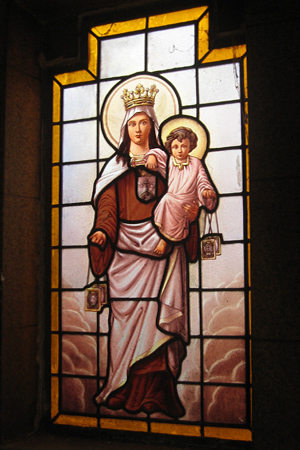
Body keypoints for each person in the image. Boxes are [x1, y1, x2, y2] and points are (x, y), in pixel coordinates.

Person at [88, 84, 206, 417]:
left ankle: (159, 395)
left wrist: (185, 222)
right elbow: (108, 206)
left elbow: (186, 198)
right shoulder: (116, 167)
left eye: (144, 123)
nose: (138, 129)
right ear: (124, 129)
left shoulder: (172, 165)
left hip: (164, 253)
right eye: (132, 124)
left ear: (153, 126)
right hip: (125, 255)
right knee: (125, 323)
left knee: (159, 322)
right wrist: (101, 232)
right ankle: (121, 388)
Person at [144, 126, 217, 255]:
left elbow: (202, 180)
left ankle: (166, 240)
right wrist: (151, 156)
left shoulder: (196, 163)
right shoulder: (169, 161)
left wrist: (206, 191)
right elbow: (157, 153)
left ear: (191, 147)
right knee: (167, 200)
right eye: (175, 147)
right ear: (170, 148)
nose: (179, 150)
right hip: (172, 198)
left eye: (184, 146)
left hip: (188, 200)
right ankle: (164, 238)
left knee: (169, 201)